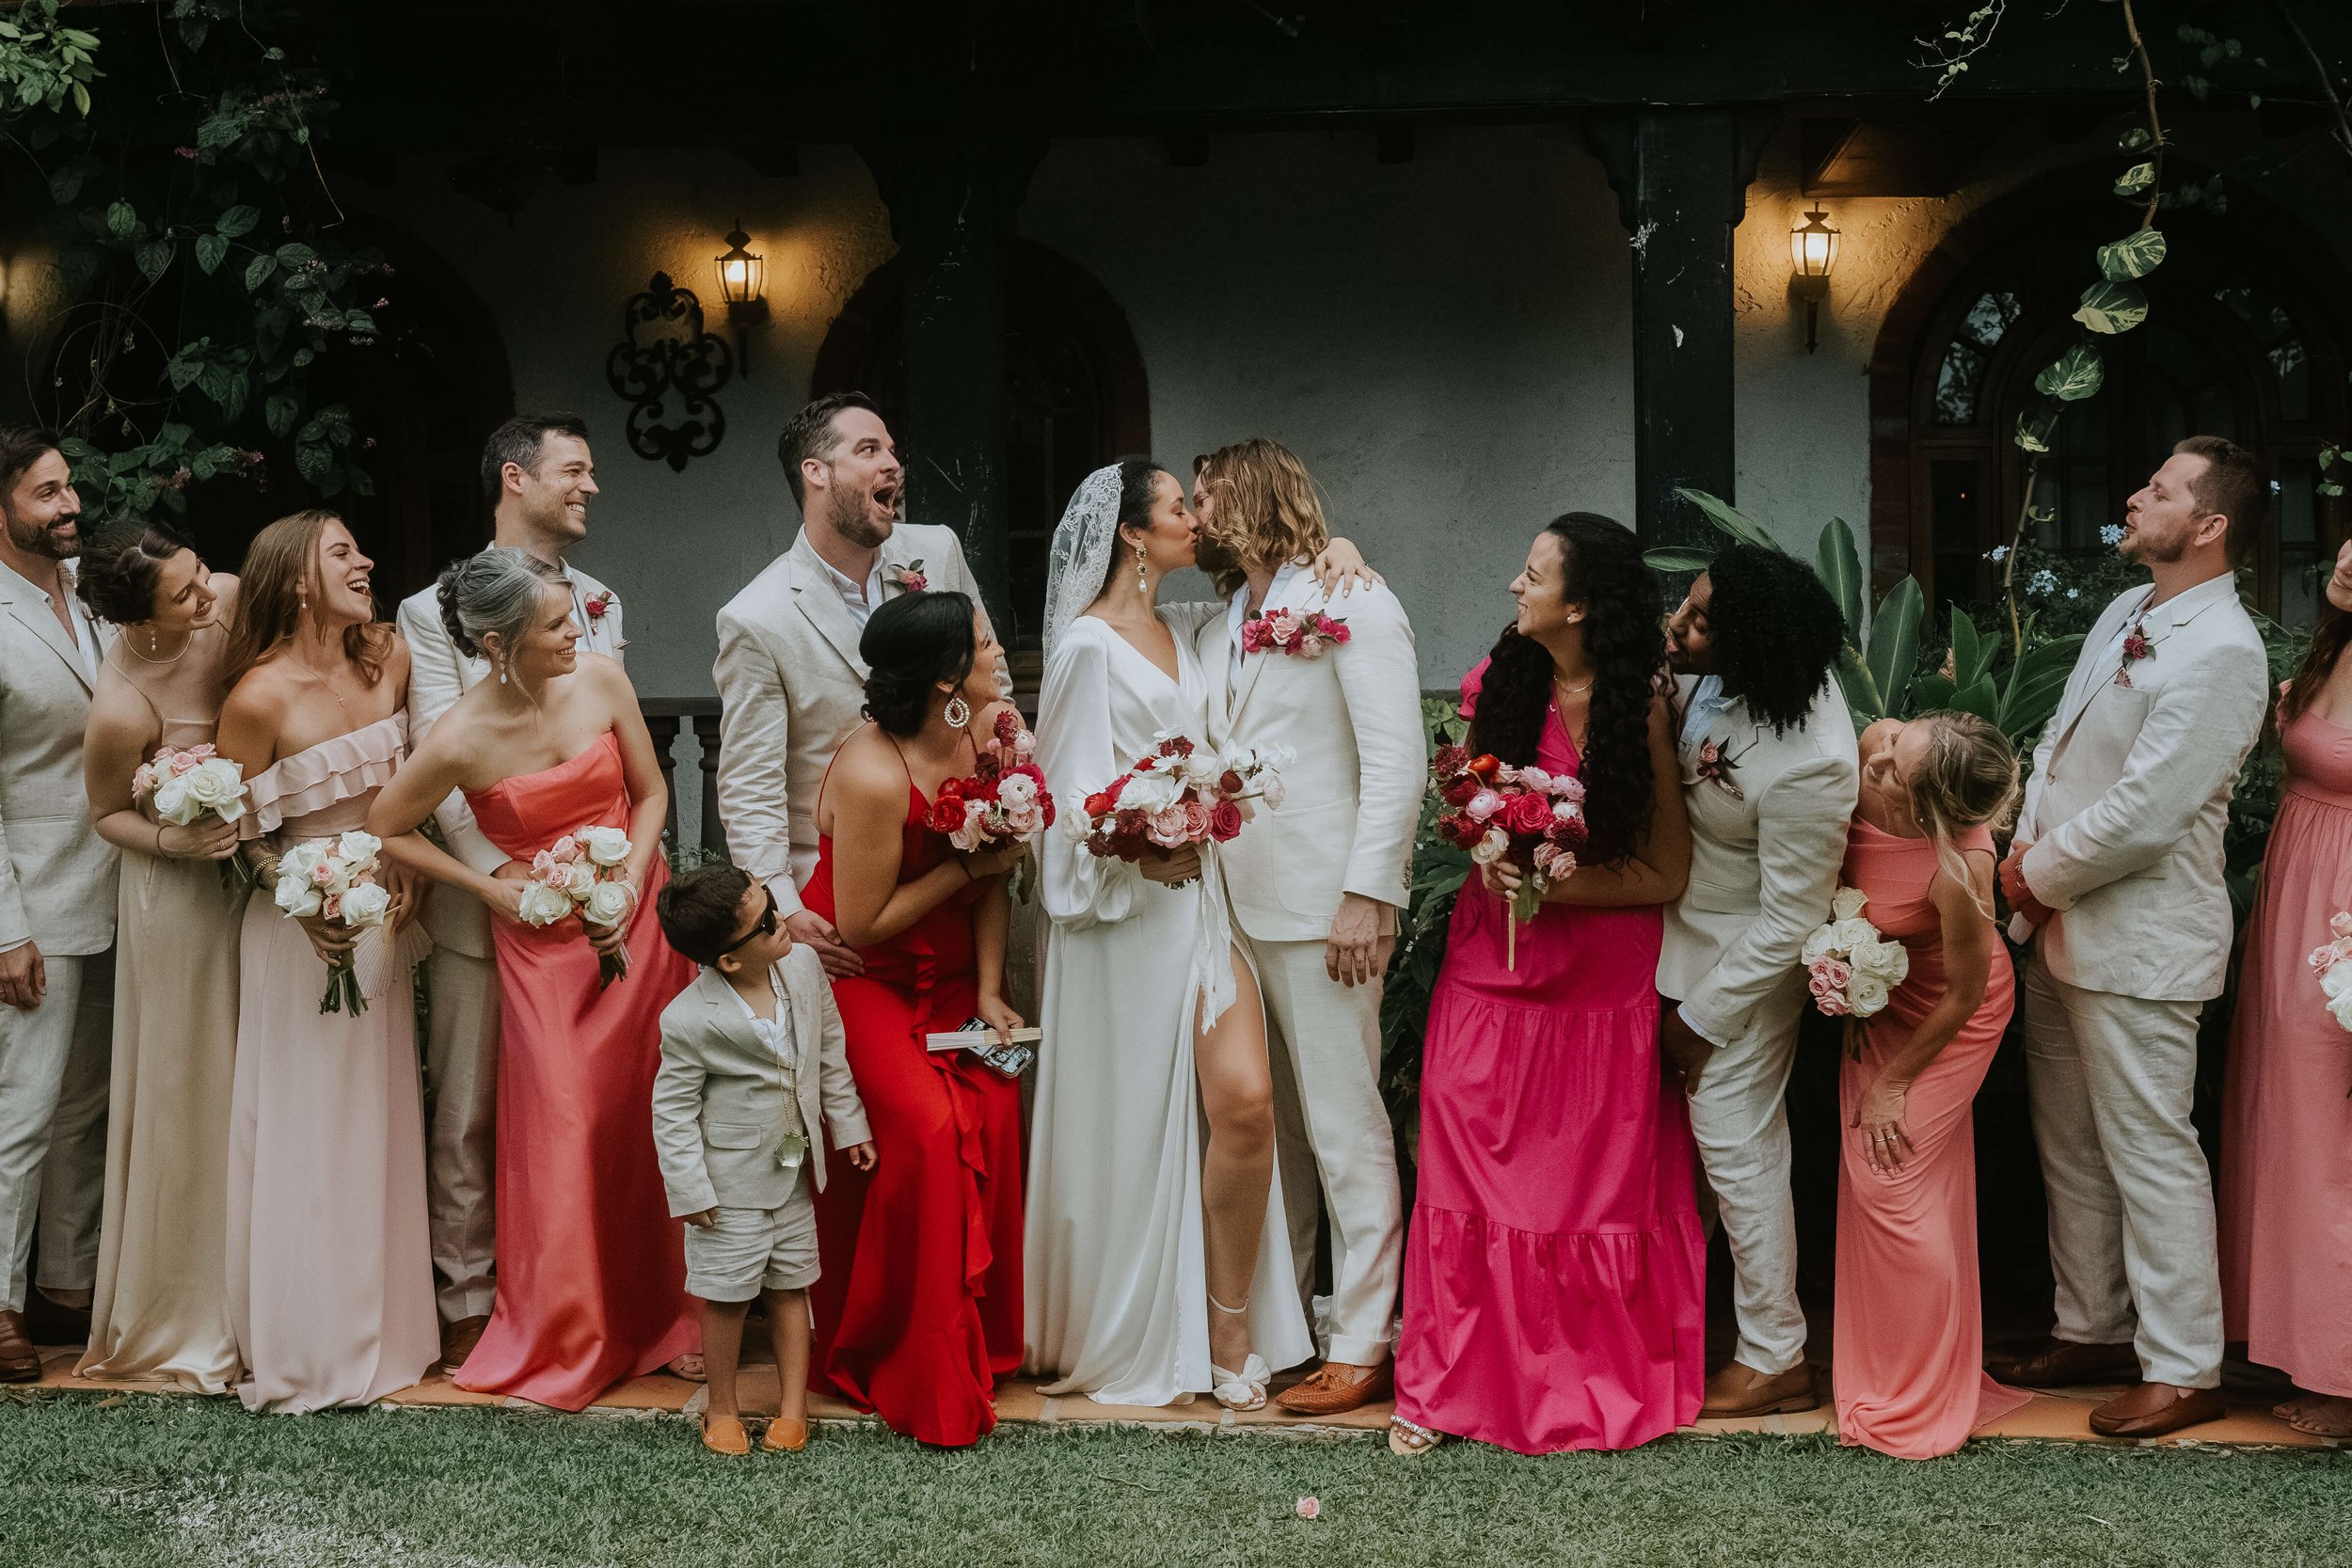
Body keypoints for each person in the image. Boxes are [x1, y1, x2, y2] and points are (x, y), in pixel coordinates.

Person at [1389, 513, 1700, 1456]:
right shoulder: (1497, 685)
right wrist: (1493, 858)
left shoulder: (1639, 707)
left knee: (1580, 1195)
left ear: (1584, 603)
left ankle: (1576, 1377)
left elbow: (1666, 872)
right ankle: (1445, 1379)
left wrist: (1567, 885)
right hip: (1490, 970)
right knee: (1461, 1159)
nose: (1512, 588)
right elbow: (1467, 812)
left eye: (1531, 575)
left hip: (1599, 986)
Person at [369, 546, 698, 1411]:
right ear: (495, 640)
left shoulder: (601, 683)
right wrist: (490, 889)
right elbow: (387, 826)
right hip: (542, 948)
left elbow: (653, 791)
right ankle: (574, 1326)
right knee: (567, 1121)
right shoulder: (459, 736)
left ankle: (673, 1314)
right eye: (555, 623)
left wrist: (629, 880)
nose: (575, 633)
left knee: (646, 1114)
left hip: (635, 915)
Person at [1025, 459, 1319, 1410]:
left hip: (1202, 906)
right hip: (1123, 917)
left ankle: (1231, 1318)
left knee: (1244, 1102)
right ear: (1131, 534)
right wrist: (1131, 847)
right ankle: (1130, 1321)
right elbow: (1059, 804)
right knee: (1143, 1121)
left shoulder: (1194, 626)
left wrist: (1335, 547)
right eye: (1177, 509)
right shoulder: (1084, 648)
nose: (1196, 521)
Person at [1993, 437, 2270, 1439]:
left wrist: (2033, 872)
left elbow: (2150, 811)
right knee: (2068, 1142)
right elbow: (2057, 749)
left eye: (2159, 488)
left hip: (2143, 938)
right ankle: (2093, 1323)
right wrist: (2027, 876)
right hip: (2062, 921)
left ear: (2208, 526)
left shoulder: (2226, 649)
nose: (2134, 492)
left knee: (2151, 1148)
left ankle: (2185, 1364)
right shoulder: (2126, 611)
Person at [1186, 438, 1419, 1416]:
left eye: (1202, 494)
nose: (1191, 510)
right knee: (1267, 1128)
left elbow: (1396, 757)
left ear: (1247, 494)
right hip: (1228, 909)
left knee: (1341, 1121)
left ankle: (1363, 1336)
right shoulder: (1211, 627)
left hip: (1325, 908)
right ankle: (1286, 1324)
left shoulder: (1353, 600)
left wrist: (1369, 892)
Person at [395, 415, 628, 1371]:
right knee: (471, 1100)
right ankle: (466, 1289)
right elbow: (443, 748)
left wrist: (605, 869)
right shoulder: (425, 609)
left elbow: (606, 730)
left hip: (597, 899)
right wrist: (500, 877)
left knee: (592, 1096)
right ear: (514, 477)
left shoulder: (605, 599)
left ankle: (592, 1281)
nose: (591, 486)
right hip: (488, 884)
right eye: (574, 469)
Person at [215, 509, 436, 1411]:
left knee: (378, 1118)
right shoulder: (258, 696)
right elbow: (236, 836)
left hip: (380, 917)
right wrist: (299, 900)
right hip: (300, 932)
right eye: (342, 551)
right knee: (307, 1125)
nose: (365, 559)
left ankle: (388, 1329)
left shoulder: (389, 659)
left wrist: (409, 854)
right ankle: (306, 1341)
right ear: (294, 576)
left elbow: (407, 789)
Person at [799, 590, 1027, 1445]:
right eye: (982, 641)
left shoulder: (993, 728)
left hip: (961, 978)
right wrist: (964, 874)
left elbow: (1000, 867)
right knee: (930, 1131)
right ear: (944, 679)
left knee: (999, 1107)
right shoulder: (869, 771)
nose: (999, 650)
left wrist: (996, 989)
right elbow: (863, 924)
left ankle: (988, 1342)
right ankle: (900, 1350)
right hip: (867, 977)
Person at [1656, 544, 1858, 1419]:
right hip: (1673, 937)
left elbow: (1791, 918)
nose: (1684, 624)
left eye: (1703, 620)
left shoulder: (1813, 758)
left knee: (1738, 1145)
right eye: (1690, 606)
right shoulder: (1729, 670)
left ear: (1757, 643)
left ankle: (1776, 1352)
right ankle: (1674, 1321)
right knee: (1688, 1157)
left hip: (1743, 968)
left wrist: (1703, 1015)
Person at [714, 392, 1002, 983]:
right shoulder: (757, 618)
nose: (892, 463)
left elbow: (987, 681)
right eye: (868, 449)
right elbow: (750, 784)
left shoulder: (936, 552)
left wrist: (1007, 787)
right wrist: (784, 911)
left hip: (960, 870)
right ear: (815, 474)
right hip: (843, 905)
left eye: (893, 449)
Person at [72, 528, 246, 1390]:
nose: (206, 597)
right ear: (138, 619)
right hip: (175, 897)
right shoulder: (122, 706)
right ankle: (187, 1305)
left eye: (196, 576)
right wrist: (177, 839)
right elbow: (106, 814)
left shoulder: (227, 596)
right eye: (183, 596)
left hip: (254, 876)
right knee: (190, 1085)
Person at [1832, 713, 2031, 1458]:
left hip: (1950, 1018)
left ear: (1926, 811)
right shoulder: (1878, 738)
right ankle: (1895, 1369)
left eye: (1894, 769)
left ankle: (1918, 1394)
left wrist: (1895, 1083)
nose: (1877, 754)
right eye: (1894, 742)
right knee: (1890, 1183)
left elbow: (1967, 993)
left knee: (1890, 1177)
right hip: (1879, 999)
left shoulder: (1960, 866)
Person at [652, 864, 875, 1456]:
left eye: (773, 904)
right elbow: (671, 1113)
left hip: (792, 1174)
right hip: (727, 1188)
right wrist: (692, 1191)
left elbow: (829, 1051)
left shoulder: (801, 967)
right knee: (726, 1296)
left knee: (790, 1287)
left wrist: (848, 1126)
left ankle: (792, 1407)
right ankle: (722, 1410)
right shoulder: (687, 1019)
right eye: (767, 922)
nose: (783, 921)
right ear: (728, 960)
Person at [2221, 536, 2352, 1440]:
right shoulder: (2332, 644)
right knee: (2281, 1115)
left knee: (2328, 1130)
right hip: (2293, 889)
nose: (2349, 557)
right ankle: (2294, 1337)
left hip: (2344, 912)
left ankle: (2345, 1378)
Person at [0, 427, 117, 1383]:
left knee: (87, 1106)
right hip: (32, 902)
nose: (70, 504)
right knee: (23, 1110)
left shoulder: (89, 600)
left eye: (69, 487)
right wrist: (5, 927)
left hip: (118, 886)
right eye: (47, 492)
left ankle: (64, 1288)